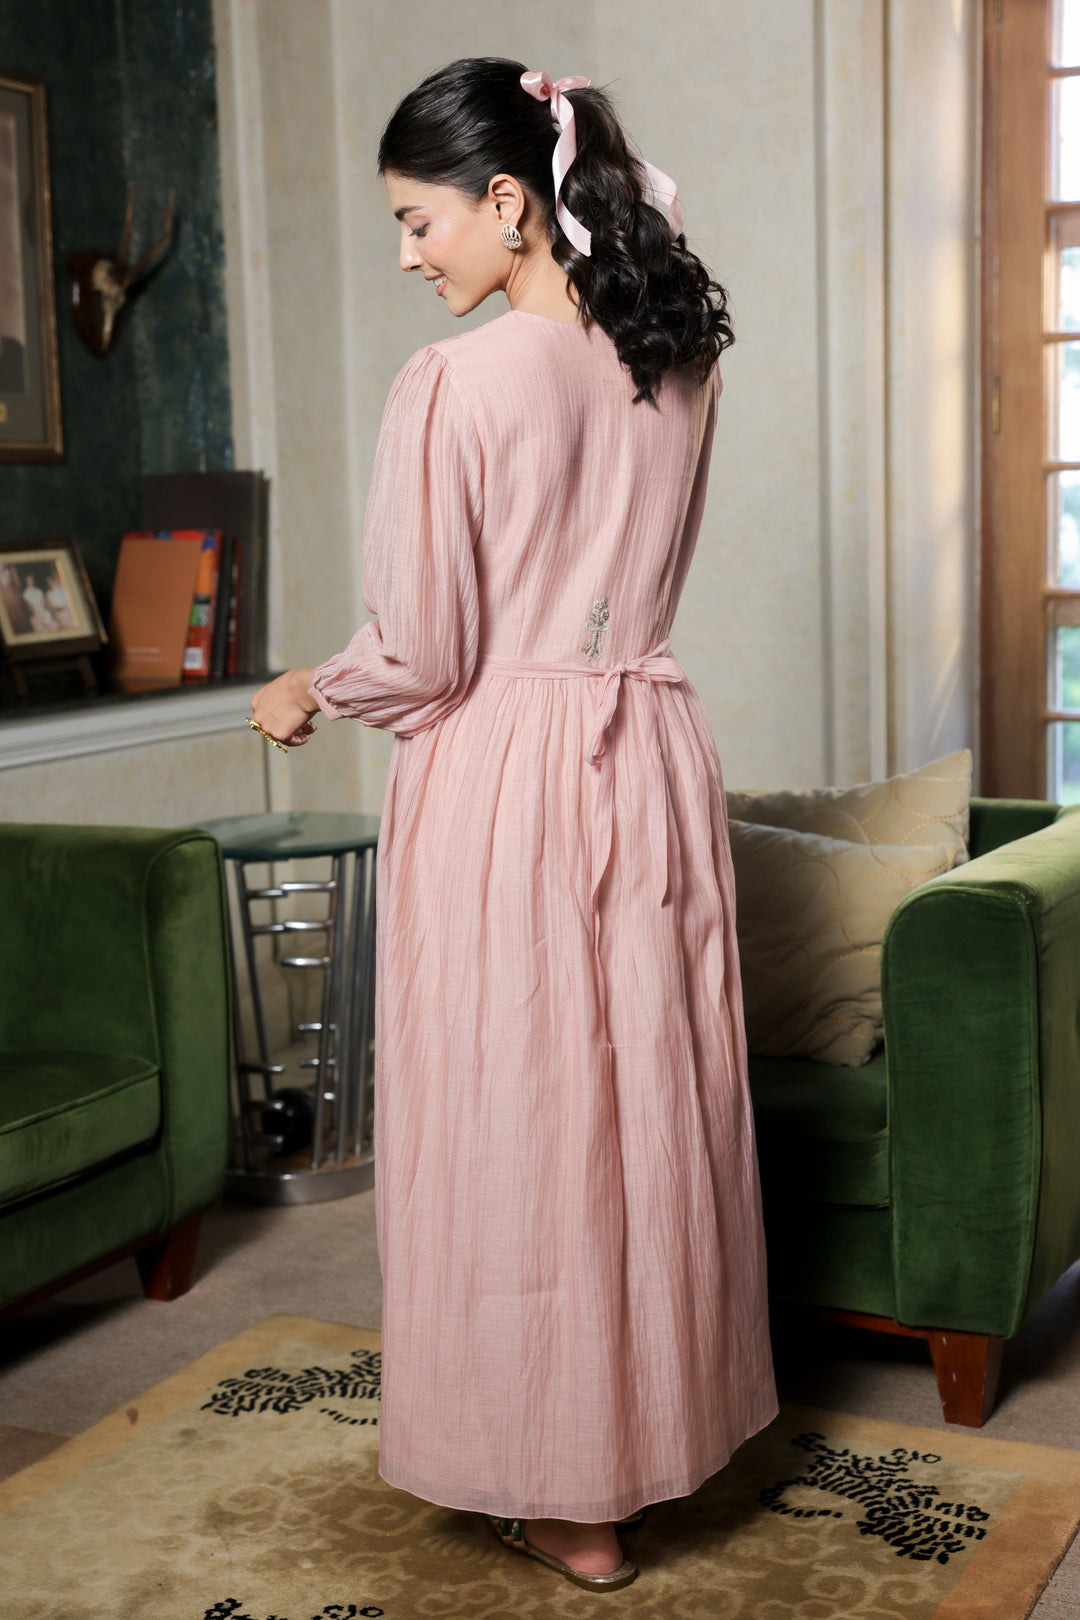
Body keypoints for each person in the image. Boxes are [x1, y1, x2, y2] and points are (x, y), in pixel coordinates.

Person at [251, 56, 777, 1595]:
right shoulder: (679, 363)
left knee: (521, 1118)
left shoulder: (459, 386)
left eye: (420, 222)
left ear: (505, 202)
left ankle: (561, 1486)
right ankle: (657, 1441)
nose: (409, 256)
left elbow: (423, 654)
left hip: (510, 774)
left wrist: (306, 687)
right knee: (645, 1107)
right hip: (654, 745)